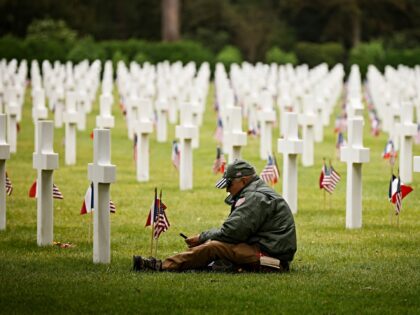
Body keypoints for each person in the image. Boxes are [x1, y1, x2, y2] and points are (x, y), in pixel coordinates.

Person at [133, 159, 297, 272]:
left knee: (214, 246)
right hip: (263, 249)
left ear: (244, 180)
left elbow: (231, 232)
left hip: (272, 259)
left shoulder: (255, 197)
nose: (227, 189)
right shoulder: (254, 192)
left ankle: (162, 266)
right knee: (215, 245)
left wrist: (202, 237)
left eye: (230, 184)